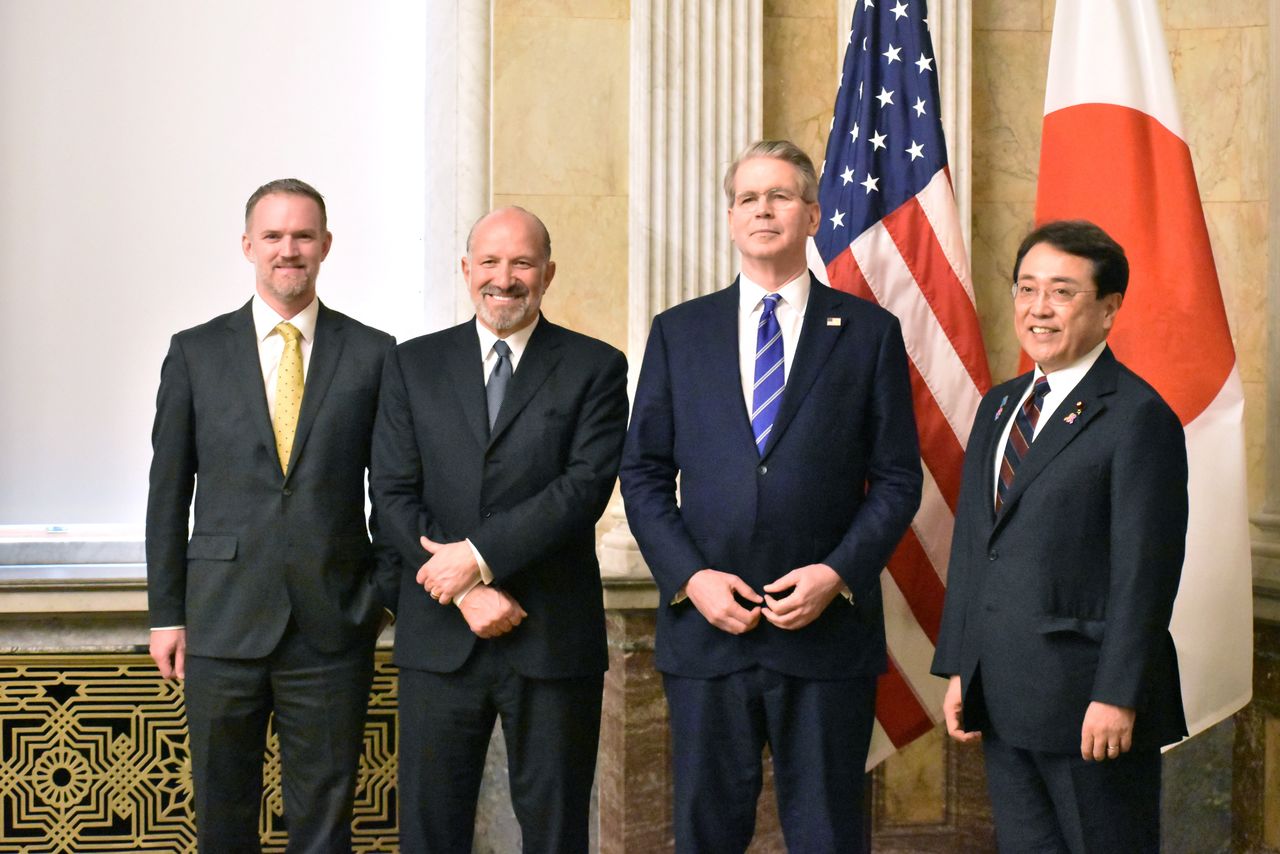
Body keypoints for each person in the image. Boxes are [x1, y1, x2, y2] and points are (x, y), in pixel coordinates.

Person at [619, 140, 922, 853]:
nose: (764, 209)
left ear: (813, 215)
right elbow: (644, 474)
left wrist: (836, 574)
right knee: (705, 834)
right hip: (707, 635)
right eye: (748, 198)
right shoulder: (678, 332)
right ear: (730, 219)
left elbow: (899, 479)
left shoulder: (870, 333)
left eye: (781, 195)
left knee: (828, 835)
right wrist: (691, 580)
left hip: (824, 635)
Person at [146, 179, 398, 851]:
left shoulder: (375, 354)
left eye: (303, 236)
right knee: (223, 813)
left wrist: (380, 596)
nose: (289, 249)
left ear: (326, 246)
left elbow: (396, 490)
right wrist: (167, 612)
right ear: (248, 246)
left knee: (324, 821)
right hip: (221, 621)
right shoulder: (195, 352)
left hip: (333, 625)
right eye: (275, 236)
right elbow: (168, 492)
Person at [370, 206, 628, 853]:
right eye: (489, 261)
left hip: (551, 635)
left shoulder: (596, 367)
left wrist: (478, 557)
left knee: (555, 831)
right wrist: (462, 588)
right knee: (430, 832)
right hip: (439, 636)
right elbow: (393, 495)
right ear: (466, 269)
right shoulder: (411, 365)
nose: (504, 278)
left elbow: (581, 491)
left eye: (521, 262)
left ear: (547, 272)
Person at [931, 220, 1188, 853]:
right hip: (1005, 696)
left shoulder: (1138, 416)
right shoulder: (1001, 405)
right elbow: (976, 544)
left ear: (1108, 310)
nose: (1038, 308)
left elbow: (1145, 574)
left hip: (1089, 709)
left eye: (1062, 292)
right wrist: (964, 666)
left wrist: (1116, 695)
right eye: (1026, 288)